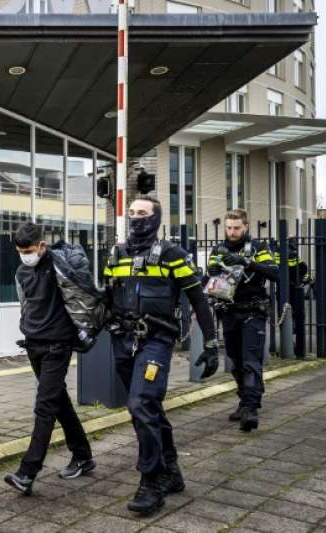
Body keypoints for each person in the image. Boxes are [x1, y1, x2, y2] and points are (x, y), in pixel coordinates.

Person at [103, 195, 219, 515]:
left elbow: (198, 299)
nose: (136, 217)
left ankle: (151, 482)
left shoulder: (172, 254)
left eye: (142, 212)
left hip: (156, 341)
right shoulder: (117, 254)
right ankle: (171, 471)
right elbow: (106, 297)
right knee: (147, 408)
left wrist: (211, 343)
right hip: (123, 341)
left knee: (141, 404)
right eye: (132, 212)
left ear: (156, 218)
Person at [4, 223, 95, 496]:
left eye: (29, 250)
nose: (25, 256)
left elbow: (82, 290)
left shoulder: (59, 266)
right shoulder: (21, 272)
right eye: (20, 252)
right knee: (58, 402)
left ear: (42, 246)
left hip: (58, 344)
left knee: (44, 406)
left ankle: (27, 472)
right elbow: (25, 304)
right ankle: (83, 456)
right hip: (34, 343)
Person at [207, 209, 278, 432]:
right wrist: (212, 270)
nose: (232, 232)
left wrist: (246, 262)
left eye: (237, 228)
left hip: (252, 312)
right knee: (235, 360)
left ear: (246, 226)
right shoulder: (218, 249)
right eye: (229, 227)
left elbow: (275, 273)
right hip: (228, 312)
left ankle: (250, 408)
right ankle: (245, 399)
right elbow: (210, 277)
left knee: (251, 360)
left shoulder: (259, 248)